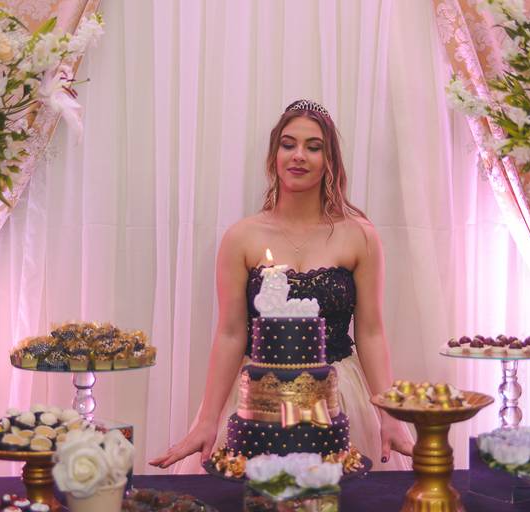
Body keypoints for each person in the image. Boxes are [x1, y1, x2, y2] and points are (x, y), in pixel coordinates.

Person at [150, 99, 414, 473]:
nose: (299, 156)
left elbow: (371, 333)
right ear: (274, 155)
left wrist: (389, 414)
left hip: (338, 394)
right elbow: (230, 334)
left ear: (330, 160)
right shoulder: (241, 237)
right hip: (260, 398)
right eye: (289, 145)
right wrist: (207, 419)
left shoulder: (360, 236)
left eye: (313, 147)